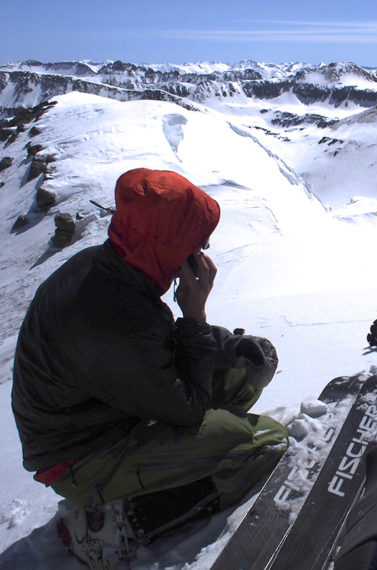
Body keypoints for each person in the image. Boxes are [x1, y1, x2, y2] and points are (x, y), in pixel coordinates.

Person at [11, 168, 289, 569]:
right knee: (255, 444)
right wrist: (194, 316)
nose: (203, 250)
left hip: (113, 411)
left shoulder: (117, 269)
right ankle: (110, 525)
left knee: (245, 364)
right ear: (167, 245)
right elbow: (187, 405)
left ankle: (187, 460)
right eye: (196, 242)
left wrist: (225, 346)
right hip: (81, 456)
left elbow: (155, 352)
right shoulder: (110, 315)